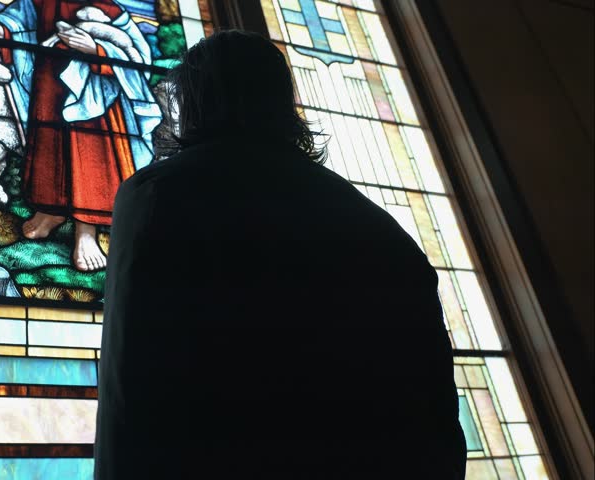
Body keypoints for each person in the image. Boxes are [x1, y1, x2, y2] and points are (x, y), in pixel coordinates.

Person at [94, 31, 466, 479]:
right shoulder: (374, 224)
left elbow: (132, 384)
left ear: (191, 103)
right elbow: (431, 402)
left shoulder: (158, 194)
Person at [0, 0, 161, 272]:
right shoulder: (39, 2)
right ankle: (52, 210)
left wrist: (95, 50)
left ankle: (86, 232)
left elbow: (138, 57)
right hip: (49, 85)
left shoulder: (108, 8)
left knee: (87, 156)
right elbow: (18, 26)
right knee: (48, 149)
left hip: (95, 99)